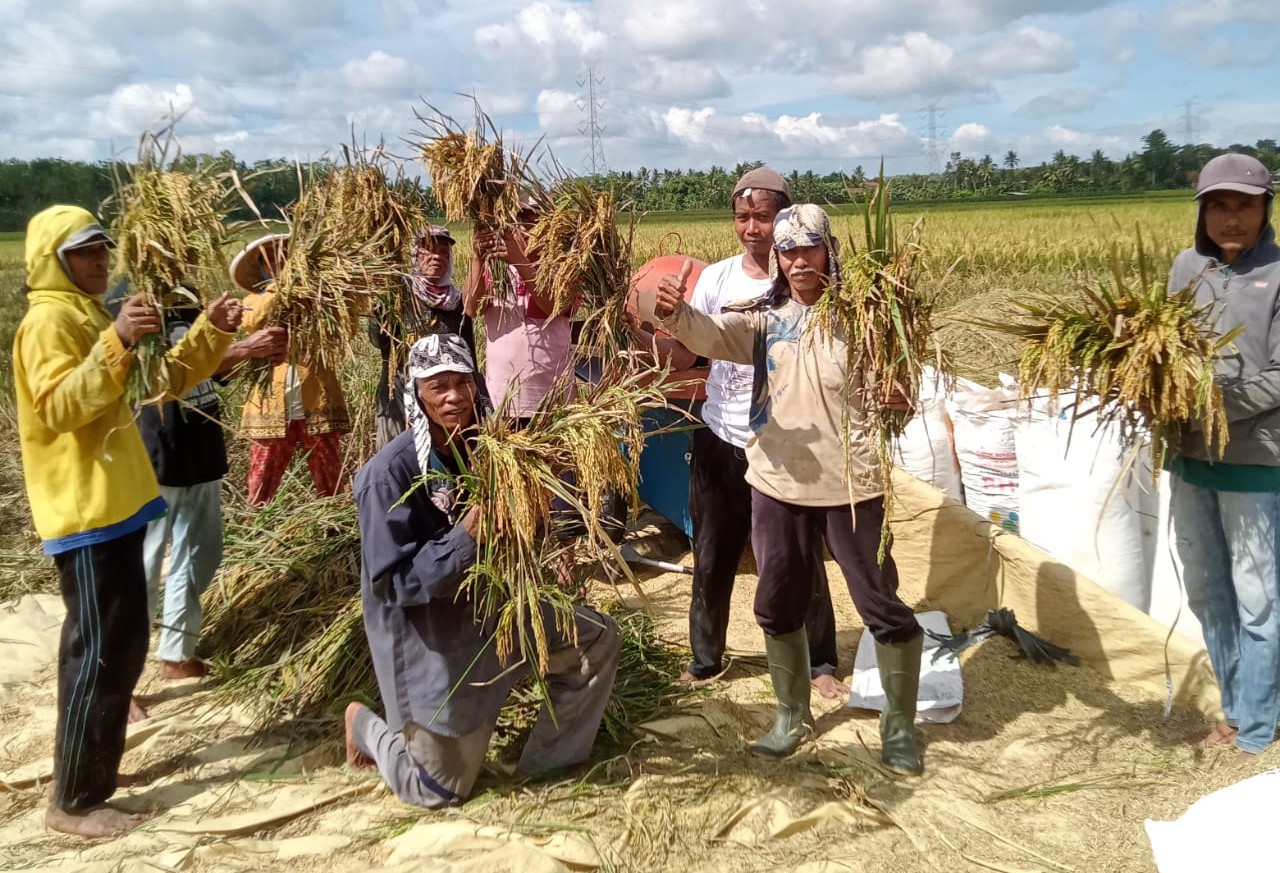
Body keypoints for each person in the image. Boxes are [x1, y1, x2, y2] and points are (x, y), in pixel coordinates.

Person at [652, 203, 925, 773]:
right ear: (777, 259)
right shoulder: (763, 319)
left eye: (809, 248)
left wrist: (902, 396)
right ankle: (791, 715)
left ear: (830, 250)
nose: (800, 261)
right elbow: (713, 334)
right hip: (777, 482)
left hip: (851, 484)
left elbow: (899, 386)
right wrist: (677, 315)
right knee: (776, 601)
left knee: (880, 602)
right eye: (789, 251)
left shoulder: (863, 317)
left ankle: (899, 727)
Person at [13, 205, 239, 836]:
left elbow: (157, 383)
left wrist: (211, 332)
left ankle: (90, 772)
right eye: (83, 251)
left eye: (101, 248)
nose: (99, 259)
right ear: (53, 259)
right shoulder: (48, 322)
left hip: (118, 505)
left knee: (119, 647)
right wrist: (117, 339)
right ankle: (75, 802)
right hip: (85, 511)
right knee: (97, 654)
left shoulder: (87, 314)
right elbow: (60, 407)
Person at [344, 333, 621, 807]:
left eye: (463, 383)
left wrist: (539, 506)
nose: (454, 396)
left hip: (499, 611)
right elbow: (397, 584)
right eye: (438, 387)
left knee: (598, 639)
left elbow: (524, 527)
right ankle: (365, 726)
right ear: (417, 395)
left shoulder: (493, 451)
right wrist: (466, 537)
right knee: (435, 792)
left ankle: (549, 767)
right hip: (433, 638)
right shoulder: (387, 476)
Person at [630, 167, 845, 697]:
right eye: (742, 216)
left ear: (786, 217)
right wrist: (651, 326)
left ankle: (821, 661)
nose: (753, 228)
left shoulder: (807, 282)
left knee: (798, 554)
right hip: (721, 435)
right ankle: (705, 658)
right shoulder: (718, 279)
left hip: (787, 439)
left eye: (764, 216)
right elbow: (690, 353)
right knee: (711, 553)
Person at [105, 282, 288, 680]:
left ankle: (176, 652)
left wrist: (250, 348)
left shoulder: (187, 296)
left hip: (201, 451)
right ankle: (120, 677)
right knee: (144, 564)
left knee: (201, 554)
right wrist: (242, 349)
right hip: (155, 453)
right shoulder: (129, 299)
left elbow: (211, 368)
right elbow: (151, 377)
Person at [1166, 152, 1280, 761]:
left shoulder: (1279, 273)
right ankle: (1235, 711)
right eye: (1219, 205)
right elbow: (1165, 349)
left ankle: (1258, 727)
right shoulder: (1186, 268)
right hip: (1190, 458)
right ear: (1203, 211)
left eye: (1245, 204)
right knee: (1209, 590)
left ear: (1265, 209)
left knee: (1259, 597)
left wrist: (1208, 407)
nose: (1231, 217)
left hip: (1256, 460)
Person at [232, 233, 351, 506]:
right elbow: (252, 321)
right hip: (270, 407)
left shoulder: (319, 300)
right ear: (262, 268)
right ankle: (260, 526)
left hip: (317, 403)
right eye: (271, 259)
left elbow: (342, 331)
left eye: (286, 255)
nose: (280, 261)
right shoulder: (254, 300)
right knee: (262, 482)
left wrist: (312, 292)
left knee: (330, 481)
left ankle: (333, 524)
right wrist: (282, 288)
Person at [463, 196, 575, 425]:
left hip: (554, 399)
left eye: (536, 220)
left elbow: (555, 306)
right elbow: (471, 308)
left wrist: (519, 260)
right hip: (503, 398)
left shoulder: (565, 268)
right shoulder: (496, 268)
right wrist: (477, 258)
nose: (527, 228)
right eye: (520, 220)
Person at [370, 224, 476, 449]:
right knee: (397, 462)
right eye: (428, 250)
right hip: (397, 399)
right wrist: (380, 304)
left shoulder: (458, 303)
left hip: (442, 405)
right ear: (414, 255)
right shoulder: (398, 296)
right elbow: (379, 341)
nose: (437, 257)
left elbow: (469, 357)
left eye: (444, 253)